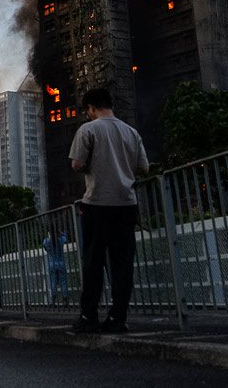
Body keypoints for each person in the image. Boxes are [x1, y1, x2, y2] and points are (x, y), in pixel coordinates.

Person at [69, 88, 149, 334]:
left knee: (94, 261)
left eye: (88, 110)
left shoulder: (88, 130)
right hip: (126, 203)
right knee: (123, 263)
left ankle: (88, 315)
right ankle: (118, 318)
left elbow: (77, 164)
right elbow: (144, 168)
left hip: (97, 203)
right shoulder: (131, 132)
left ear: (91, 108)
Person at [43, 230, 68, 305]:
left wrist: (49, 236)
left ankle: (53, 301)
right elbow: (65, 237)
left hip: (52, 264)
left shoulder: (46, 241)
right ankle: (65, 300)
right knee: (63, 282)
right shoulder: (61, 240)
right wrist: (60, 232)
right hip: (61, 263)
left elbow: (45, 249)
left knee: (53, 282)